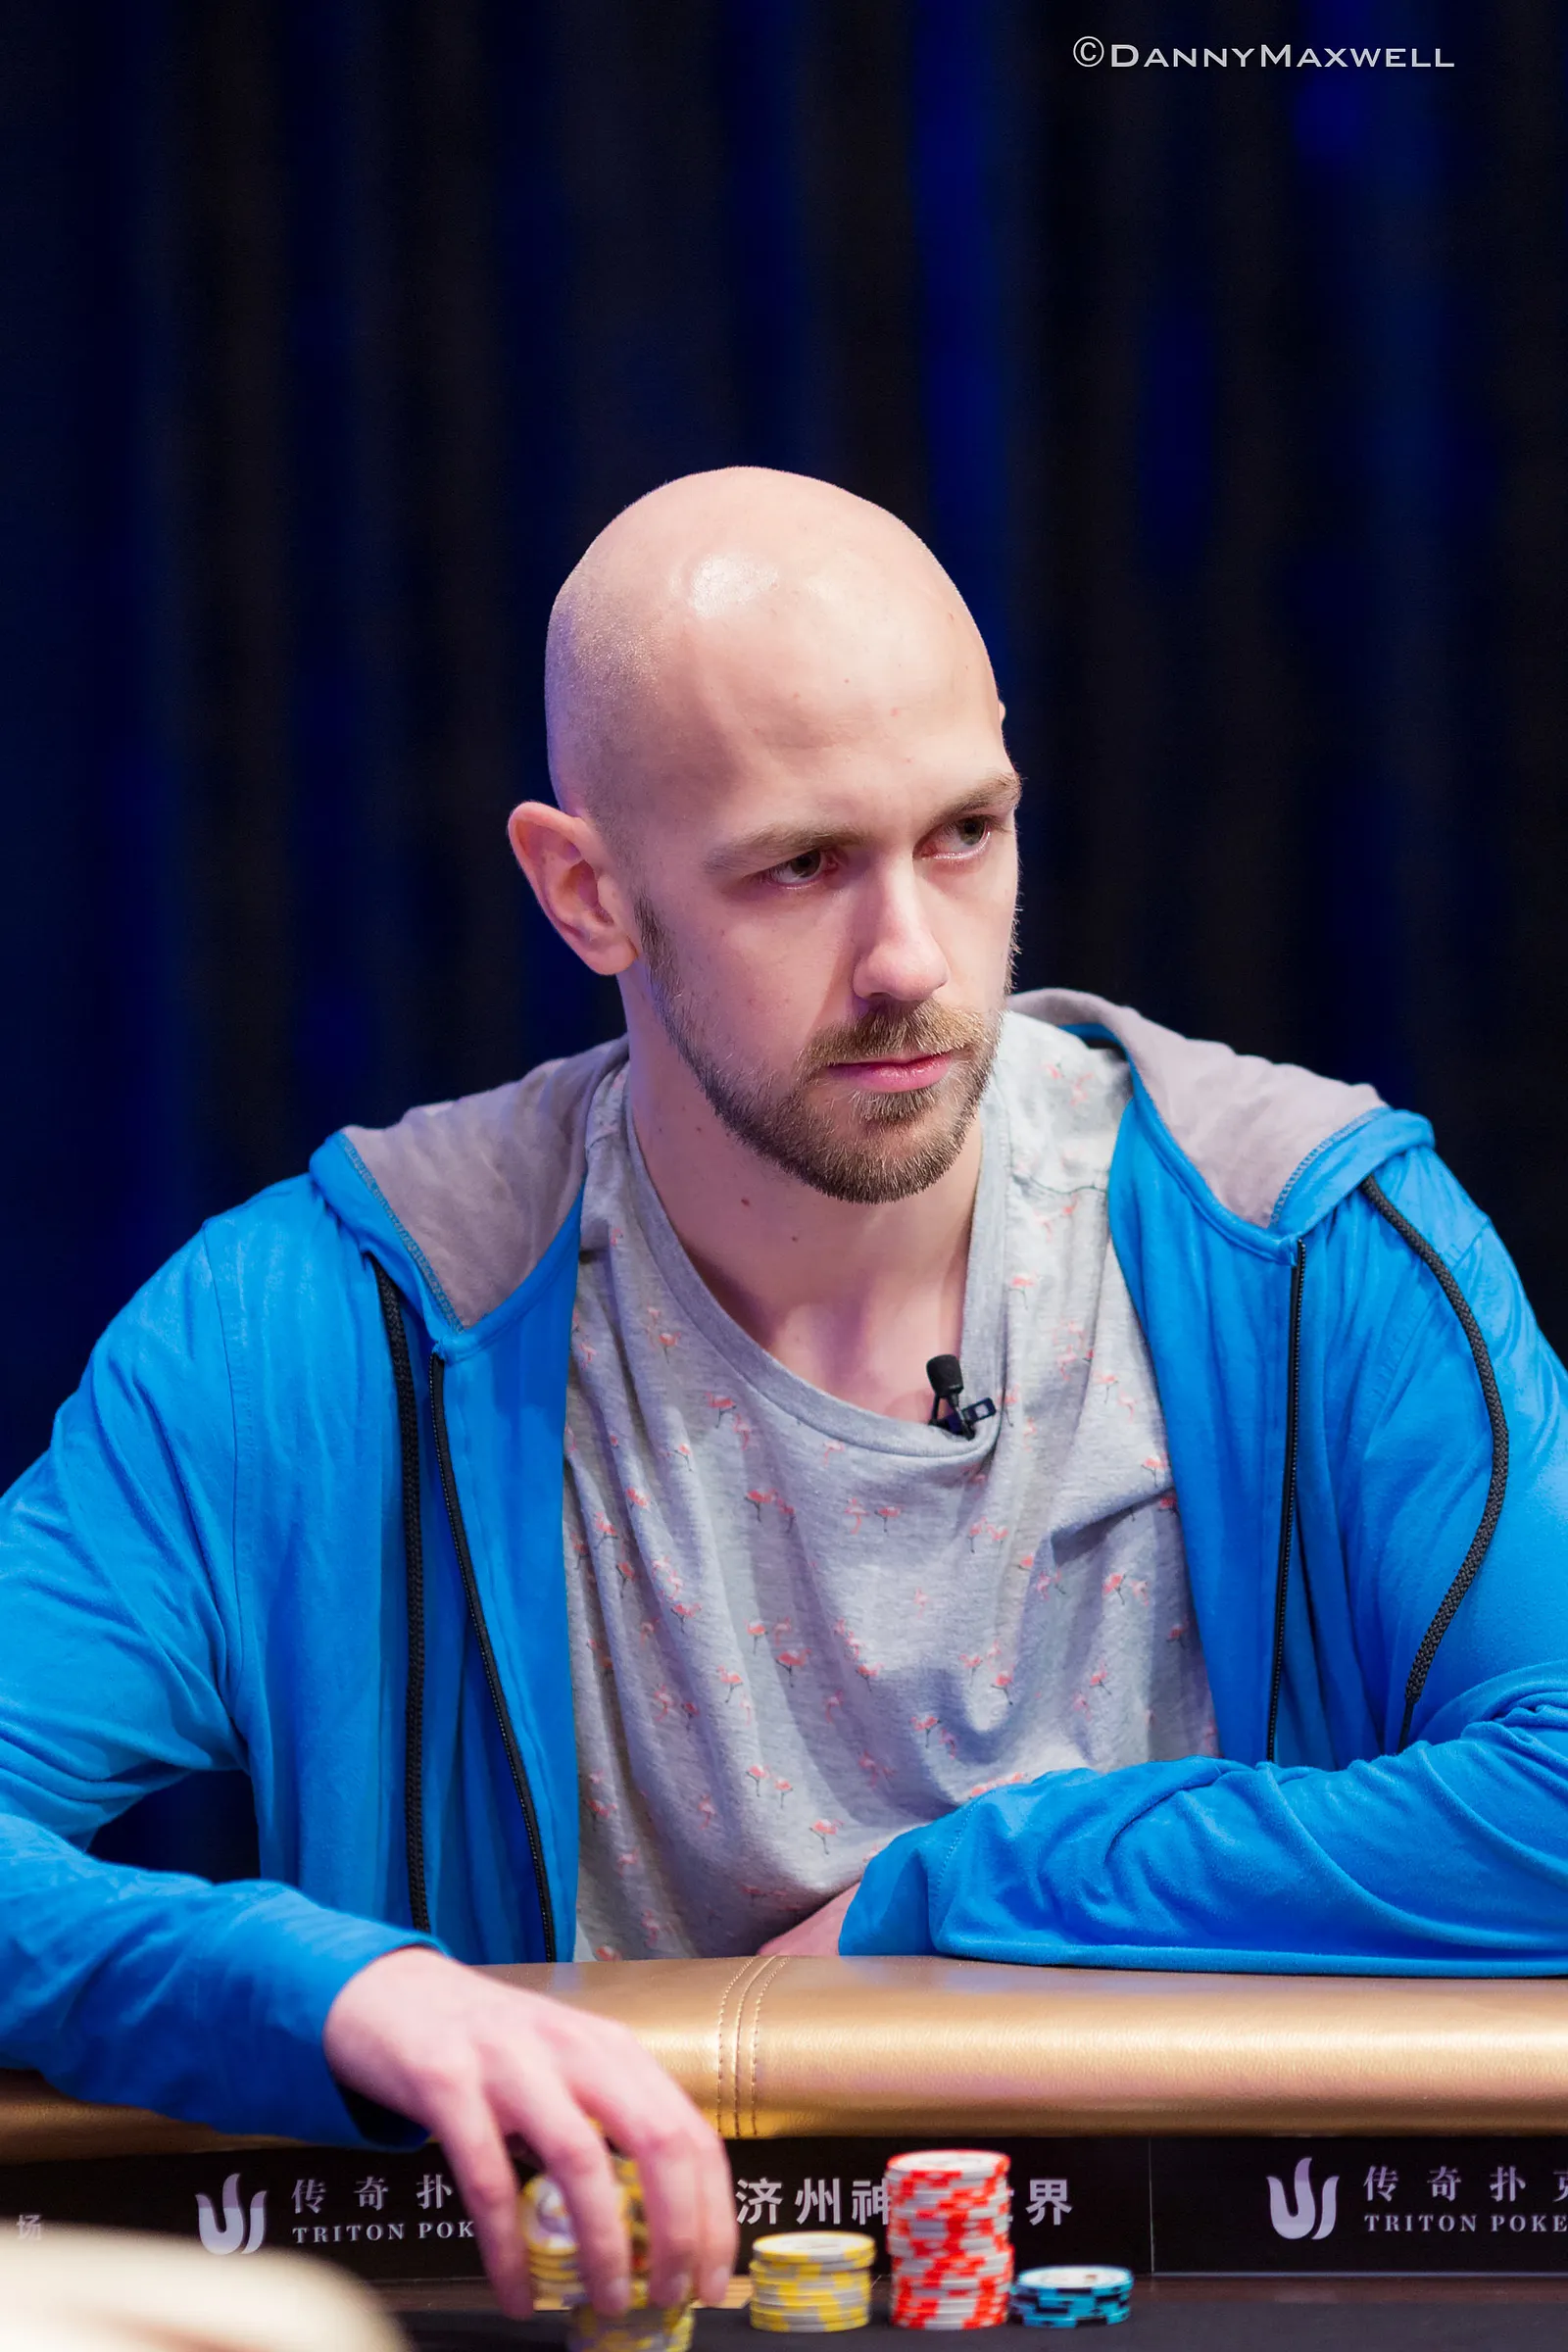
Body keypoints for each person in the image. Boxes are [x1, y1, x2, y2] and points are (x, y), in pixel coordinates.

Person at [5, 467, 1568, 2313]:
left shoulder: (1313, 1244)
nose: (913, 960)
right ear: (587, 892)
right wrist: (345, 1994)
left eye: (966, 833)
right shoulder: (312, 1332)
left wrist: (971, 1883)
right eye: (801, 867)